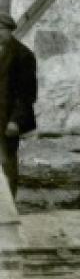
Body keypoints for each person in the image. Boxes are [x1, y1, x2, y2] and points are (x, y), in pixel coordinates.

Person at [0, 14, 37, 199]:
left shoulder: (23, 55)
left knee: (7, 161)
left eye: (1, 29)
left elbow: (27, 94)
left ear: (10, 30)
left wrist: (15, 121)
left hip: (7, 119)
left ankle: (9, 204)